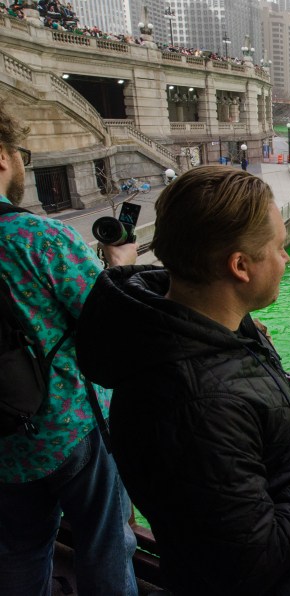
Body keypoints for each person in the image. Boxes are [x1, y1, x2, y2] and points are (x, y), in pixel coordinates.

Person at [75, 165, 290, 595]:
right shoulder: (198, 403)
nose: (286, 259)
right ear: (240, 266)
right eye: (280, 247)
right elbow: (254, 562)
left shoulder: (200, 324)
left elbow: (243, 391)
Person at [0, 104, 138, 594]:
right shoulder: (37, 238)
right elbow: (111, 326)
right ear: (2, 158)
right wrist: (119, 266)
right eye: (21, 154)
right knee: (105, 543)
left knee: (19, 548)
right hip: (68, 428)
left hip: (5, 441)